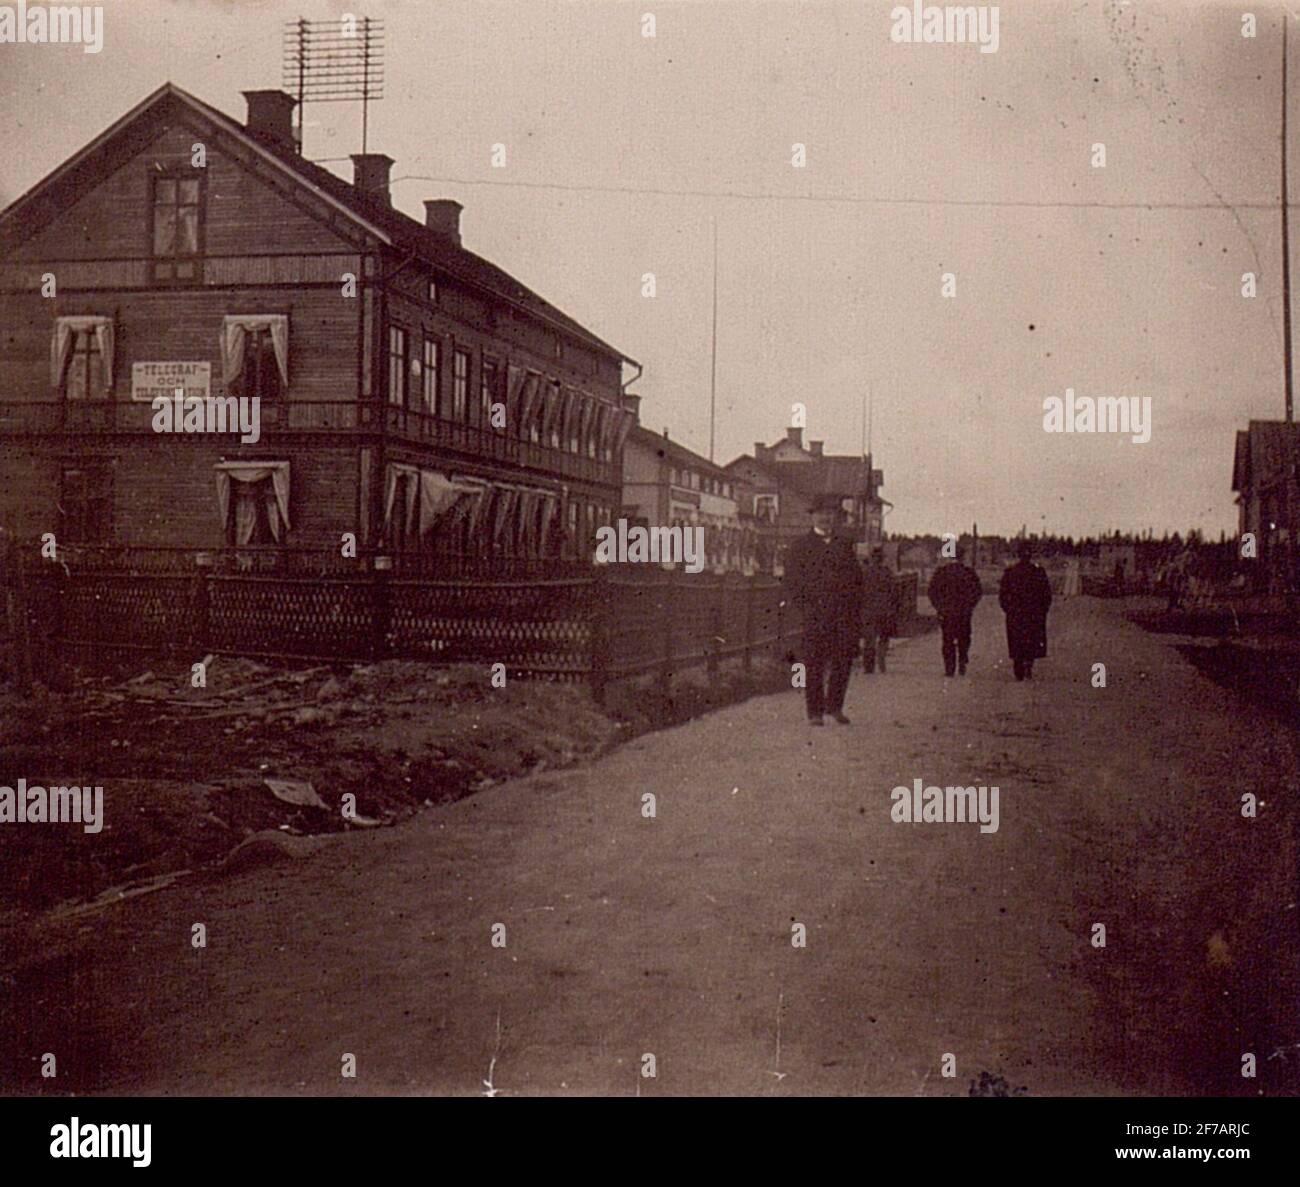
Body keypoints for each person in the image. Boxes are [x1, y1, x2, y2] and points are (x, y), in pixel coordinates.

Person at [783, 495, 864, 725]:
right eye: (821, 513)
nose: (826, 517)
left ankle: (835, 707)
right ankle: (815, 712)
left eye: (830, 513)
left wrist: (854, 610)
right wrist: (804, 608)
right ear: (813, 516)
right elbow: (792, 582)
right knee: (814, 664)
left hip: (842, 616)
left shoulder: (844, 546)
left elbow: (856, 580)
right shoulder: (800, 547)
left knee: (842, 662)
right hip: (814, 615)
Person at [999, 541, 1053, 680]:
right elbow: (1046, 595)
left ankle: (1018, 666)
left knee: (1017, 640)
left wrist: (1008, 610)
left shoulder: (1010, 572)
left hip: (1015, 614)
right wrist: (1042, 611)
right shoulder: (1038, 572)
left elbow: (1003, 595)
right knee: (1031, 639)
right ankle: (1028, 664)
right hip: (1034, 614)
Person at [927, 547, 983, 677]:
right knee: (964, 637)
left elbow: (932, 592)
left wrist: (938, 607)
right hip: (964, 612)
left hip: (946, 612)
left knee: (947, 639)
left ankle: (949, 667)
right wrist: (970, 606)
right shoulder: (968, 572)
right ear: (962, 557)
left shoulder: (941, 572)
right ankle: (962, 657)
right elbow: (978, 592)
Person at [860, 546, 898, 674]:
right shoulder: (887, 573)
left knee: (869, 639)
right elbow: (894, 592)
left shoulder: (864, 573)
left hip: (868, 611)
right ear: (882, 559)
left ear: (871, 558)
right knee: (883, 637)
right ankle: (881, 661)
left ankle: (868, 667)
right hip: (884, 610)